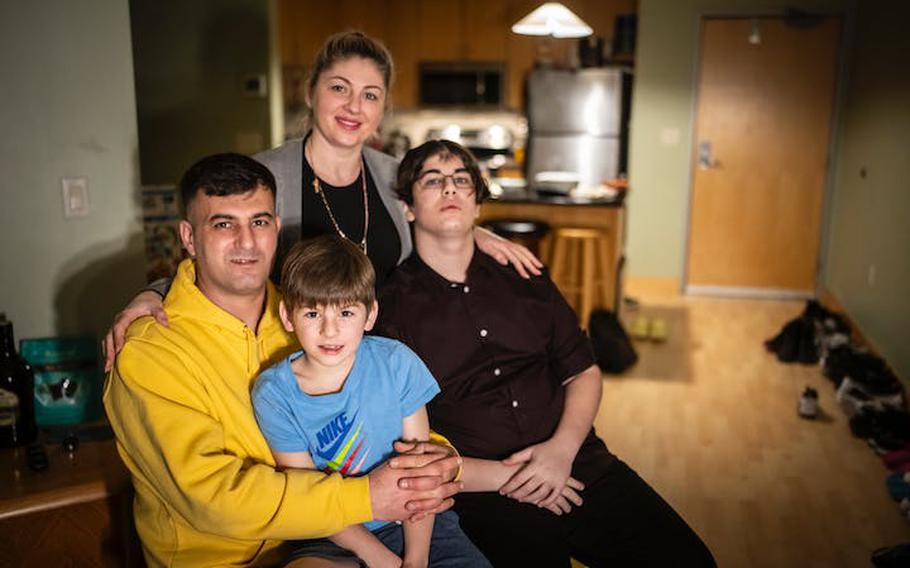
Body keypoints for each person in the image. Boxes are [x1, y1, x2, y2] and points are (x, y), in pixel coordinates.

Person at [102, 30, 540, 370]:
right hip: (298, 368)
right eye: (339, 88)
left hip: (391, 361)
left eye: (370, 94)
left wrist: (477, 233)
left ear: (383, 106)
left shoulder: (396, 176)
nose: (354, 106)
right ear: (311, 92)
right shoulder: (264, 177)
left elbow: (441, 217)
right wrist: (152, 294)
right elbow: (218, 255)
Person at [104, 153, 462, 567]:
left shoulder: (308, 316)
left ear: (276, 227)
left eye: (258, 222)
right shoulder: (150, 351)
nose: (246, 242)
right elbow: (212, 500)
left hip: (335, 539)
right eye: (223, 224)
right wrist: (369, 495)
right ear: (187, 236)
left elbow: (379, 406)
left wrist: (438, 462)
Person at [376, 140, 717, 568]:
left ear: (477, 205)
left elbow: (584, 371)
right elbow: (408, 440)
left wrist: (560, 451)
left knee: (690, 561)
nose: (450, 189)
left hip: (577, 464)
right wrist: (509, 476)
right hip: (483, 494)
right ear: (408, 207)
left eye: (461, 180)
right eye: (433, 180)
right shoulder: (390, 309)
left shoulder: (524, 275)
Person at [251, 235, 490, 568]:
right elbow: (310, 495)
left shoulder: (396, 362)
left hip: (415, 520)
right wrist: (383, 561)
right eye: (312, 314)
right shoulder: (273, 393)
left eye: (346, 312)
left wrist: (416, 559)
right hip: (332, 531)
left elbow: (421, 471)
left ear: (370, 314)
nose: (330, 331)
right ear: (288, 316)